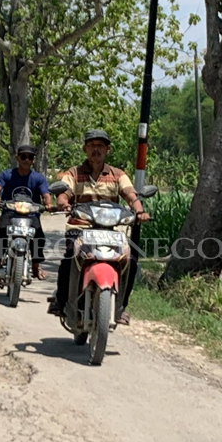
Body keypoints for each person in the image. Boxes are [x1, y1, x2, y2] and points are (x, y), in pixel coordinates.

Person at [49, 129, 150, 325]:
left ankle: (120, 307)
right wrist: (63, 203)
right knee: (70, 257)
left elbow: (131, 195)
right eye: (92, 145)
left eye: (101, 146)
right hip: (81, 228)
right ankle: (61, 300)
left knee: (131, 261)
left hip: (111, 231)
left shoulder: (118, 175)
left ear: (107, 150)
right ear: (85, 149)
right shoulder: (73, 173)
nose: (96, 150)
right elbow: (63, 193)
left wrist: (139, 211)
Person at [0, 145, 53, 280]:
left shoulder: (38, 178)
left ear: (33, 160)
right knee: (1, 233)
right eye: (23, 156)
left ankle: (35, 265)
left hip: (31, 214)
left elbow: (45, 194)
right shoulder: (7, 174)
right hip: (10, 212)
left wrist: (48, 204)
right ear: (17, 158)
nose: (26, 160)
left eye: (30, 157)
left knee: (38, 237)